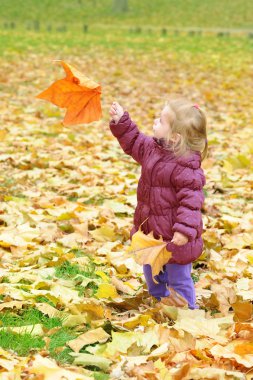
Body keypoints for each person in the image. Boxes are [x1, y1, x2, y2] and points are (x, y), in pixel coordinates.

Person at [109, 98, 207, 309]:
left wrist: (184, 230)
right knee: (152, 275)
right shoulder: (152, 149)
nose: (155, 121)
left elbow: (191, 202)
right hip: (151, 233)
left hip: (175, 238)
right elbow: (134, 141)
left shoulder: (187, 167)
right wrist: (121, 120)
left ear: (174, 136)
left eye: (161, 121)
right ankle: (161, 302)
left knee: (178, 279)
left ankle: (186, 312)